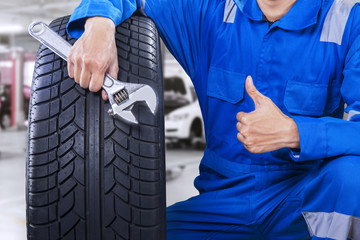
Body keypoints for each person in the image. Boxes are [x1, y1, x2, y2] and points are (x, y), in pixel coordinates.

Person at [66, 0, 360, 239]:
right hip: (221, 203)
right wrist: (99, 24)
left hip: (303, 198)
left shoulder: (348, 21)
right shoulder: (210, 11)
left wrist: (296, 132)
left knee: (351, 174)